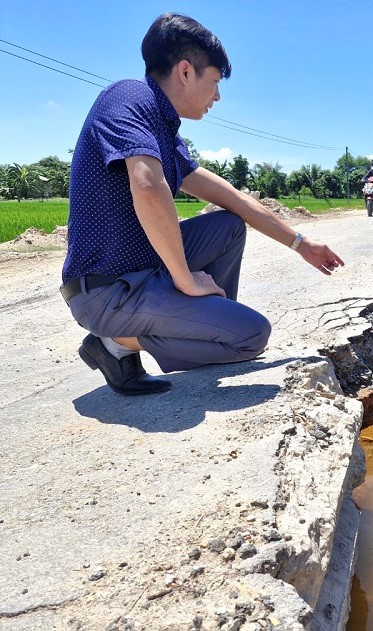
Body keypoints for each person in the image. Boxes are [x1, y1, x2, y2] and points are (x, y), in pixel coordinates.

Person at [60, 13, 344, 396]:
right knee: (252, 336)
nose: (218, 96)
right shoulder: (130, 97)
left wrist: (301, 243)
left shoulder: (165, 131)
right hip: (106, 293)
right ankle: (114, 341)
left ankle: (209, 326)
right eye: (214, 81)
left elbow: (235, 200)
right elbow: (147, 186)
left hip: (140, 272)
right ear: (185, 71)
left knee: (227, 226)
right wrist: (185, 279)